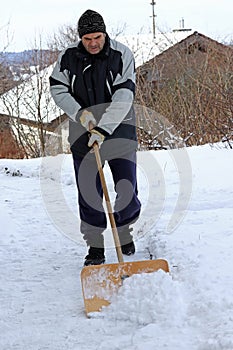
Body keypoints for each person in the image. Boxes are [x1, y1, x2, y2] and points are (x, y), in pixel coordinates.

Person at [49, 9, 141, 266]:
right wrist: (80, 115)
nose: (93, 43)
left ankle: (123, 232)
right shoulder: (68, 57)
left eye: (97, 37)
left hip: (120, 129)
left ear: (105, 33)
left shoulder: (122, 55)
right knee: (89, 191)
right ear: (81, 37)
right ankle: (96, 244)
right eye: (87, 38)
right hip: (83, 132)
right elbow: (58, 88)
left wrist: (103, 128)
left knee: (126, 186)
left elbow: (124, 95)